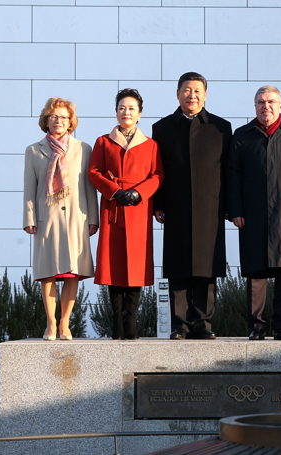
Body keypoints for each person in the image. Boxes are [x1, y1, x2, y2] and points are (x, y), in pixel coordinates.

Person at [227, 86, 281, 341]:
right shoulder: (242, 135)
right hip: (251, 214)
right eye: (260, 102)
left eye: (271, 102)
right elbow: (233, 177)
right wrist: (235, 211)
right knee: (256, 272)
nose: (266, 106)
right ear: (254, 106)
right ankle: (257, 327)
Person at [152, 72, 232, 340]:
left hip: (211, 208)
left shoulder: (221, 128)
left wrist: (229, 207)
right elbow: (158, 171)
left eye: (197, 90)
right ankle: (180, 324)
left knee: (207, 267)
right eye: (186, 90)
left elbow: (229, 172)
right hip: (175, 207)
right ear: (178, 94)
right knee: (177, 265)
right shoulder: (161, 129)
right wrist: (158, 204)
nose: (192, 95)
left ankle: (202, 323)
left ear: (205, 95)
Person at [88, 89, 164, 340]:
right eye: (122, 107)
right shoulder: (103, 141)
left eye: (131, 108)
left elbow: (157, 176)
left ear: (140, 113)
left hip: (138, 210)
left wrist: (138, 193)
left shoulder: (150, 145)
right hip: (113, 209)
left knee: (136, 266)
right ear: (116, 111)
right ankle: (116, 323)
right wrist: (114, 191)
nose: (126, 112)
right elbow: (94, 172)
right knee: (114, 266)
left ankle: (131, 322)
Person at [23, 97, 99, 341]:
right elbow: (29, 187)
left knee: (72, 272)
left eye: (64, 117)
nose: (59, 121)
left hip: (77, 218)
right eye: (54, 116)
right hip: (48, 218)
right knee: (48, 273)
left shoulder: (83, 148)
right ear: (46, 120)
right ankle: (50, 324)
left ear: (71, 122)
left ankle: (65, 323)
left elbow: (89, 186)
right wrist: (29, 217)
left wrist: (92, 218)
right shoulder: (34, 150)